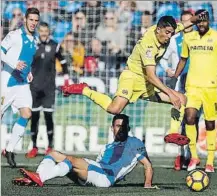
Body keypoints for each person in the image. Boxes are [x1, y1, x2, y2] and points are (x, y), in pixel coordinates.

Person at [62, 14, 207, 146]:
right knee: (115, 109)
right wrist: (170, 93)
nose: (169, 36)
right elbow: (151, 75)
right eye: (167, 33)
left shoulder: (165, 32)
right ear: (158, 30)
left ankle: (172, 133)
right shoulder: (148, 46)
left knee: (181, 99)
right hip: (132, 77)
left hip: (146, 82)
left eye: (171, 33)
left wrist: (197, 18)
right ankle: (85, 89)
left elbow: (183, 24)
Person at [12, 114, 156, 188]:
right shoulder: (106, 148)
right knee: (53, 154)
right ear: (112, 128)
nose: (121, 129)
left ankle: (39, 178)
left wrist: (147, 184)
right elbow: (96, 165)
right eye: (118, 126)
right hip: (95, 174)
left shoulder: (134, 142)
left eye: (124, 126)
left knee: (71, 160)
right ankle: (38, 177)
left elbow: (147, 165)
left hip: (106, 177)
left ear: (129, 129)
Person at [173, 10, 217, 173]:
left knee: (210, 123)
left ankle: (210, 161)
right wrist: (175, 77)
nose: (201, 24)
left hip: (211, 87)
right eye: (198, 21)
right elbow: (183, 60)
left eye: (204, 21)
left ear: (209, 22)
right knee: (189, 117)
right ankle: (194, 156)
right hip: (192, 87)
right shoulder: (188, 38)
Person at [1, 7, 40, 168]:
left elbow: (27, 60)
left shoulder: (35, 40)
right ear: (25, 19)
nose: (33, 23)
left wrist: (29, 71)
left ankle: (9, 150)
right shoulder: (14, 35)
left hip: (23, 84)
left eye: (36, 20)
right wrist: (14, 64)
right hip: (7, 82)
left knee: (26, 113)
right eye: (31, 19)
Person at [25, 22, 70, 158]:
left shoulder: (55, 45)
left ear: (49, 32)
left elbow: (62, 62)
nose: (44, 33)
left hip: (49, 88)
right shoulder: (32, 45)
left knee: (49, 116)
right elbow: (25, 62)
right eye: (42, 31)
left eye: (46, 31)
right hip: (34, 87)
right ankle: (34, 147)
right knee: (35, 117)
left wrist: (67, 79)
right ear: (38, 31)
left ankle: (50, 146)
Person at [159, 10, 197, 171]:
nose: (187, 25)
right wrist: (167, 69)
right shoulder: (174, 40)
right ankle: (181, 155)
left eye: (190, 21)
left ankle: (192, 156)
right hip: (179, 84)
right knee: (181, 120)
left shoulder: (199, 39)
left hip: (196, 85)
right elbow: (162, 58)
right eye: (184, 22)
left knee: (193, 120)